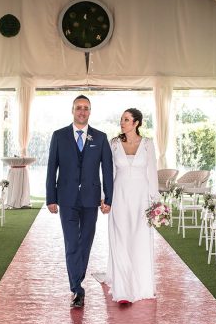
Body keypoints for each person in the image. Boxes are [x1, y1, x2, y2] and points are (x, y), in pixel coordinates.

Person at [46, 95, 114, 308]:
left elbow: (107, 170)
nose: (82, 111)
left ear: (90, 112)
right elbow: (51, 168)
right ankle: (77, 288)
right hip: (66, 199)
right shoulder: (58, 136)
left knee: (85, 242)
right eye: (78, 108)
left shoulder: (100, 138)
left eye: (86, 108)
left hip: (90, 199)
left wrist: (108, 199)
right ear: (72, 110)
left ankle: (77, 281)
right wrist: (51, 197)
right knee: (71, 243)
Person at [102, 108, 159, 304]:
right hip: (120, 197)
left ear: (136, 123)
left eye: (126, 119)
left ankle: (142, 286)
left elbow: (152, 173)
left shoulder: (148, 145)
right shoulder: (114, 144)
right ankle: (123, 289)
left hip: (142, 199)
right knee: (120, 238)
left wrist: (156, 203)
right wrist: (105, 197)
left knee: (140, 238)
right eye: (121, 119)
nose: (122, 123)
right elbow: (107, 173)